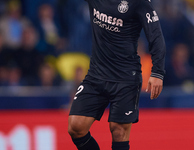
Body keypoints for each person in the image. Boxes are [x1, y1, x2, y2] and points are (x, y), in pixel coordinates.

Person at [68, 0, 166, 150]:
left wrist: (158, 72)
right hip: (96, 75)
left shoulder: (139, 2)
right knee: (75, 127)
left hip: (125, 78)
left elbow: (156, 35)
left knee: (118, 131)